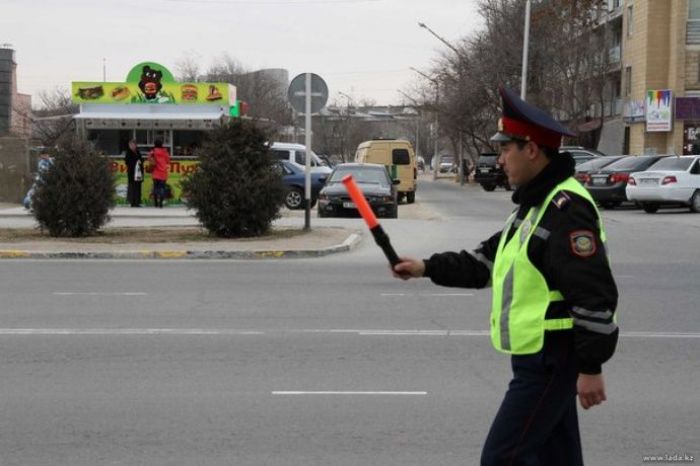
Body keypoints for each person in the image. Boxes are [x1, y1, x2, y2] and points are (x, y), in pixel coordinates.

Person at [392, 87, 619, 466]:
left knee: (502, 458)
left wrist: (591, 366)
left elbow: (593, 292)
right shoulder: (534, 206)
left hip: (552, 358)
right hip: (539, 355)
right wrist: (426, 268)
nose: (499, 161)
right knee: (557, 458)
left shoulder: (566, 208)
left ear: (531, 149)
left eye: (504, 149)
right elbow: (485, 263)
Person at [148, 139, 170, 208]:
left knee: (155, 188)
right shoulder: (165, 152)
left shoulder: (153, 151)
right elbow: (168, 161)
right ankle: (161, 203)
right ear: (162, 144)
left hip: (155, 173)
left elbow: (149, 159)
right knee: (162, 188)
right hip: (163, 173)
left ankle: (155, 203)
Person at [124, 140, 143, 207]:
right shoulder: (128, 152)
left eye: (133, 145)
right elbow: (127, 161)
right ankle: (132, 202)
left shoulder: (137, 152)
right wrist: (135, 162)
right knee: (132, 187)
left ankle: (137, 201)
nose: (132, 146)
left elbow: (141, 159)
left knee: (138, 187)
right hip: (132, 172)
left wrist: (140, 161)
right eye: (131, 145)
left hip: (138, 172)